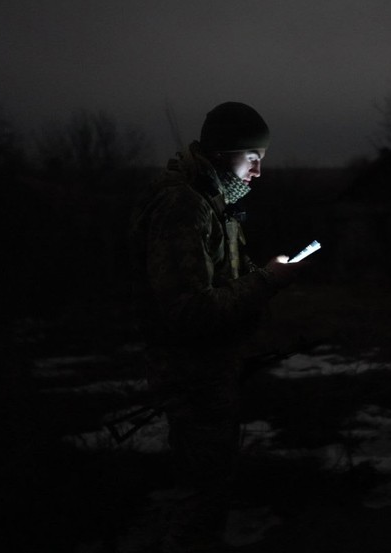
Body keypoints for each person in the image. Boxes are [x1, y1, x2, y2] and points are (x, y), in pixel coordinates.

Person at [129, 101, 303, 552]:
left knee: (211, 488)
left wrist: (262, 275)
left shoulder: (211, 201)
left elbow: (221, 281)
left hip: (209, 373)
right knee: (201, 499)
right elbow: (189, 311)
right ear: (225, 153)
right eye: (253, 158)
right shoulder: (183, 205)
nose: (259, 171)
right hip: (191, 378)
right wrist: (267, 281)